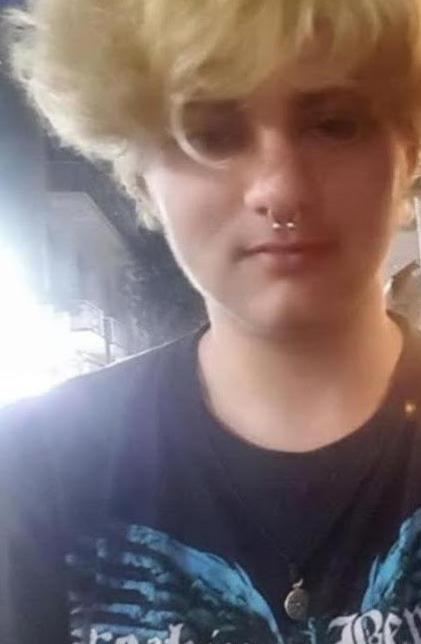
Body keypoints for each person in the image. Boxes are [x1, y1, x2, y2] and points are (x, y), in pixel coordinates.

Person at [1, 1, 421, 642]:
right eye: (213, 135)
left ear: (409, 150)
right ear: (141, 172)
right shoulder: (35, 468)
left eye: (335, 125)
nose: (280, 190)